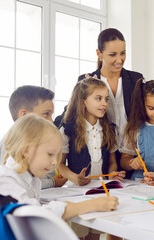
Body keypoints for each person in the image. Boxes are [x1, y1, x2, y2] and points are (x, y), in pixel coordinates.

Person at [0, 114, 119, 221]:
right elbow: (37, 215)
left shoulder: (31, 178)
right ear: (26, 150)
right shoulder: (5, 179)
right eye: (50, 154)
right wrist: (92, 205)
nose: (54, 163)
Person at [54, 28, 143, 179]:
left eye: (123, 53)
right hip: (105, 153)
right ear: (99, 53)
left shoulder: (136, 79)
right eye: (112, 54)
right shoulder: (87, 80)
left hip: (132, 155)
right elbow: (71, 110)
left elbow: (144, 114)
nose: (119, 59)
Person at [58, 78, 125, 239]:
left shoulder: (109, 129)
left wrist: (113, 174)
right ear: (83, 102)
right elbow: (59, 165)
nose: (104, 104)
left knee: (94, 236)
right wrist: (74, 178)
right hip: (76, 195)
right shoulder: (68, 129)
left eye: (106, 99)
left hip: (100, 192)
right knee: (78, 235)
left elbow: (112, 163)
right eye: (98, 98)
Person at [0, 85, 67, 189]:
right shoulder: (13, 140)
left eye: (51, 115)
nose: (51, 121)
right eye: (46, 114)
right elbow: (15, 184)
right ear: (24, 115)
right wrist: (52, 182)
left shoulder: (37, 141)